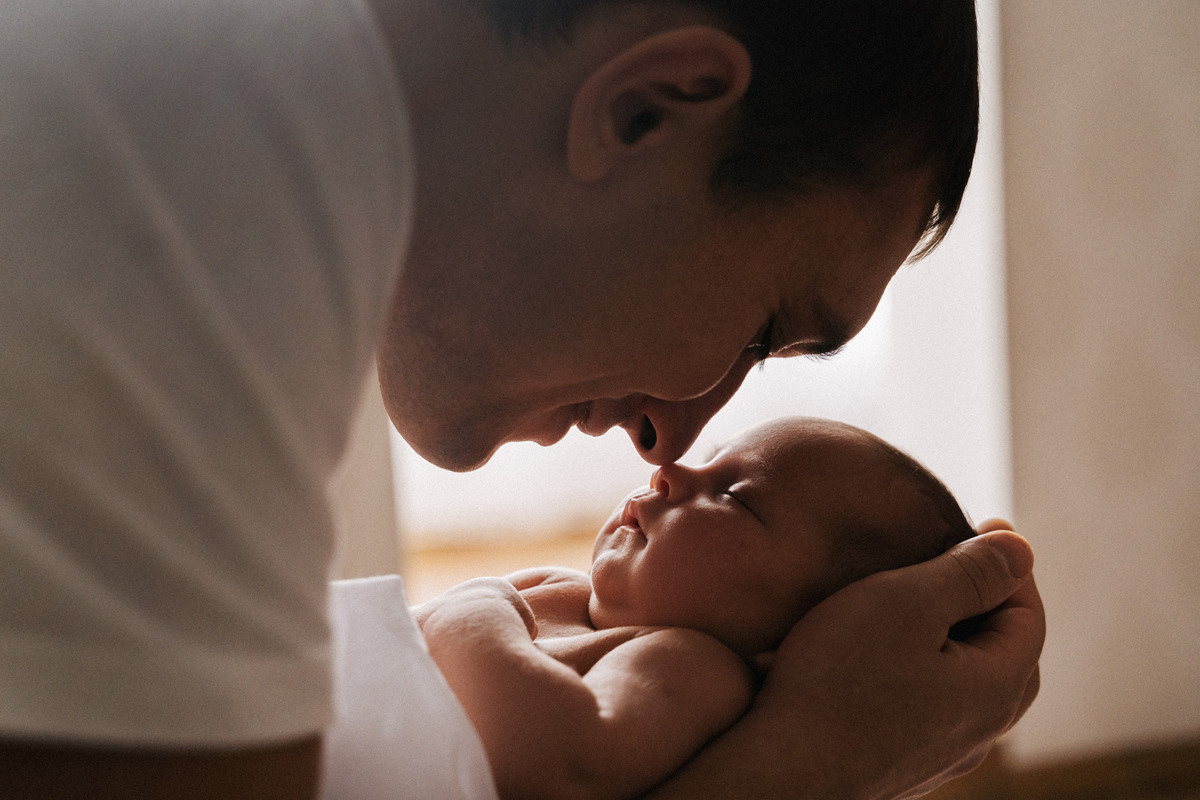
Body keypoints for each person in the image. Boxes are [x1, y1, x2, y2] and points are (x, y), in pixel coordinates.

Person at [0, 0, 1044, 798]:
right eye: (763, 329)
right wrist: (811, 761)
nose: (672, 434)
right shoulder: (153, 202)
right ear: (646, 111)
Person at [418, 416, 992, 800]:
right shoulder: (560, 591)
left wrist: (466, 614)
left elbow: (559, 765)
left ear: (803, 632)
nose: (670, 471)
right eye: (713, 459)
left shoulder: (688, 665)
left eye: (735, 497)